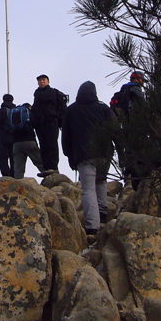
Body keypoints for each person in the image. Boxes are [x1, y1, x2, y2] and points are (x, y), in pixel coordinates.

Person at [61, 81, 117, 235]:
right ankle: (103, 212)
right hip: (104, 154)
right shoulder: (103, 108)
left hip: (83, 154)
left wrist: (69, 156)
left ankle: (92, 226)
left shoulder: (71, 110)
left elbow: (65, 136)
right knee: (101, 181)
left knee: (88, 189)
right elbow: (115, 130)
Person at [111, 71, 161, 190]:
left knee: (129, 151)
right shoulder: (136, 90)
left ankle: (127, 178)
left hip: (126, 126)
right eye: (142, 80)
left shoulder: (123, 91)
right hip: (137, 127)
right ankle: (138, 177)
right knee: (139, 151)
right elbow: (142, 109)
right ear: (138, 80)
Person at [31, 74, 66, 177]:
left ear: (48, 81)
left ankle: (53, 167)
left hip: (51, 122)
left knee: (51, 144)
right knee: (43, 146)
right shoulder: (37, 95)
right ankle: (46, 167)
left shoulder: (53, 93)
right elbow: (35, 110)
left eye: (43, 80)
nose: (41, 82)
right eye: (40, 81)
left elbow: (62, 109)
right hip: (40, 124)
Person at [10, 103, 45, 179]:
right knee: (40, 163)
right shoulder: (29, 114)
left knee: (18, 169)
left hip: (16, 144)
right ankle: (50, 180)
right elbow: (37, 124)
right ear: (29, 107)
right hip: (29, 141)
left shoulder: (14, 115)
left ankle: (18, 185)